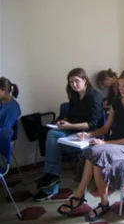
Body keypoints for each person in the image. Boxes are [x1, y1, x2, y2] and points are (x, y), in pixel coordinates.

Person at [56, 70, 124, 222]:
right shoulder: (117, 103)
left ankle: (82, 197)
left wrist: (105, 142)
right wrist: (89, 135)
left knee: (97, 153)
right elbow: (105, 128)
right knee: (95, 153)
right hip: (111, 145)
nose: (120, 89)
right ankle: (99, 202)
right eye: (119, 86)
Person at [34, 68, 104, 201]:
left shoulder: (95, 96)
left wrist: (69, 125)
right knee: (50, 133)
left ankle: (51, 180)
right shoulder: (75, 95)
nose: (74, 85)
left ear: (84, 80)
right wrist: (63, 121)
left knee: (53, 141)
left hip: (89, 133)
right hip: (73, 129)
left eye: (76, 81)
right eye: (71, 82)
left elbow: (92, 124)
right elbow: (71, 116)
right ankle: (51, 178)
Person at [0, 77, 21, 160]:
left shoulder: (13, 107)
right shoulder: (1, 102)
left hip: (5, 138)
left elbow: (6, 129)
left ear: (4, 90)